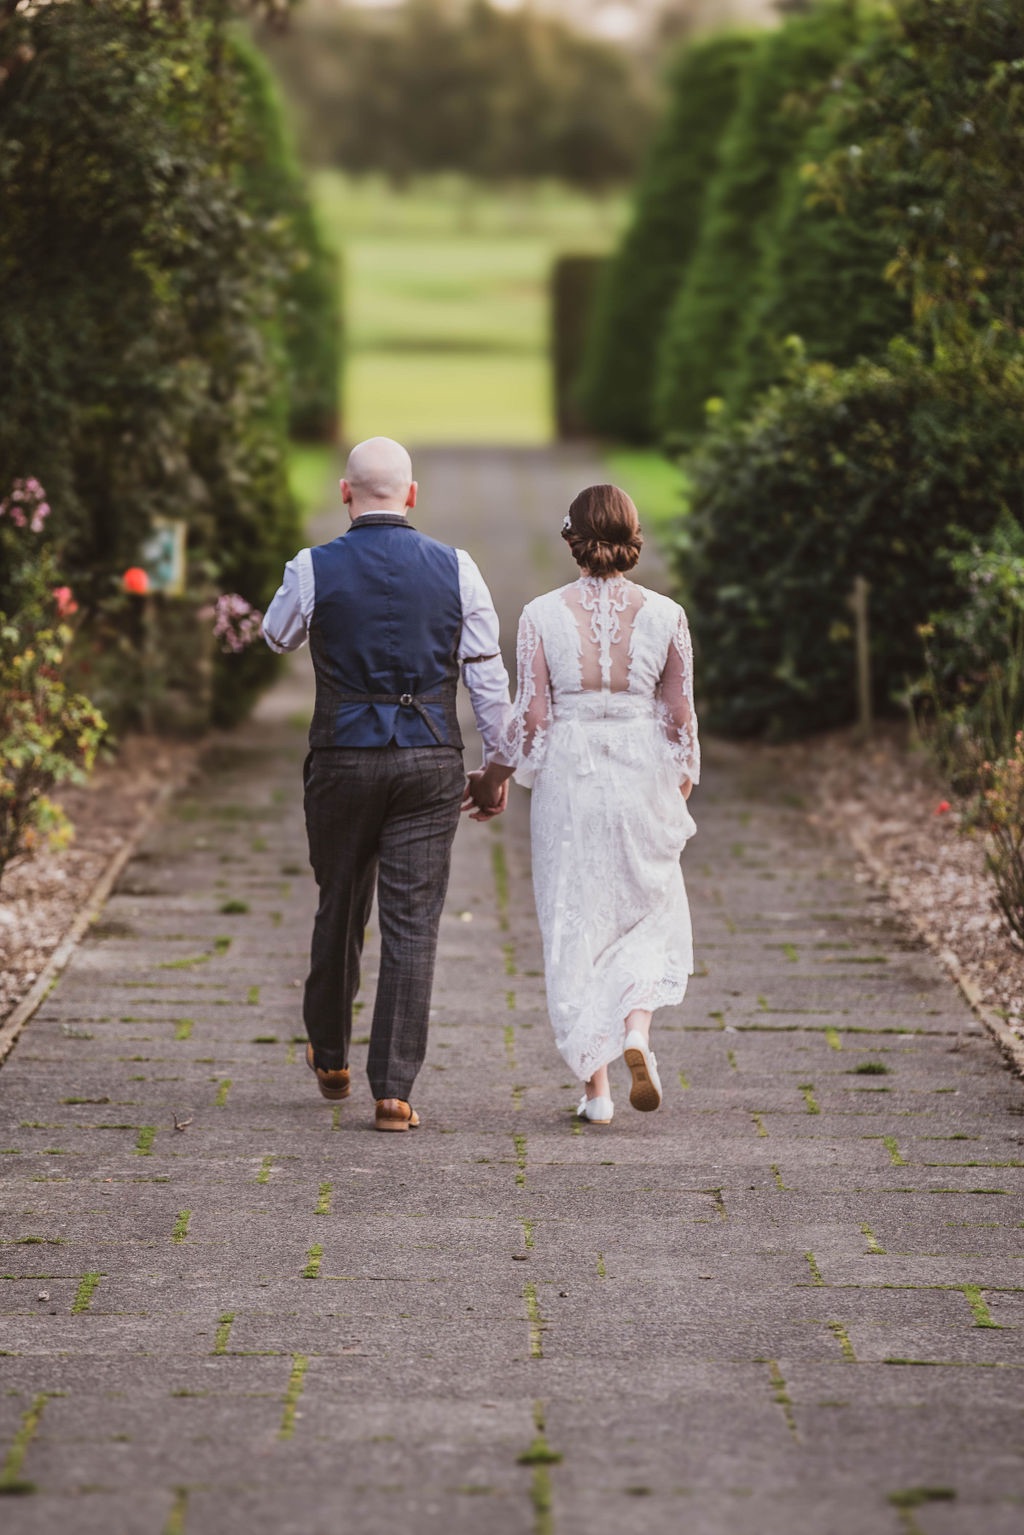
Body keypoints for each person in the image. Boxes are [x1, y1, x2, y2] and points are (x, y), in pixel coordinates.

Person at [263, 437, 511, 1131]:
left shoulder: (313, 567)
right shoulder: (458, 569)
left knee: (339, 900)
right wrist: (498, 767)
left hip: (342, 756)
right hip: (431, 758)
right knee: (413, 922)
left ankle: (333, 1056)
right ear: (411, 494)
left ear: (345, 492)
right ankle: (394, 1089)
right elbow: (488, 679)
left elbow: (275, 635)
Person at [464, 485, 699, 1124]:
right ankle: (637, 1035)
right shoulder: (667, 615)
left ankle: (596, 1093)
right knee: (646, 912)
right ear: (632, 535)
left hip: (572, 776)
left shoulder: (541, 615)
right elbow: (678, 715)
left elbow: (532, 717)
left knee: (576, 918)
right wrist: (678, 787)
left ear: (572, 538)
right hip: (641, 770)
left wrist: (495, 777)